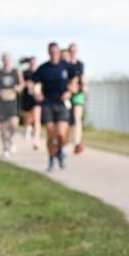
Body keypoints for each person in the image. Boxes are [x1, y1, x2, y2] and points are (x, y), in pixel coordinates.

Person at [31, 43, 73, 171]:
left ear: (59, 52)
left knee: (61, 134)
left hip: (62, 104)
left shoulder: (66, 66)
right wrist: (37, 93)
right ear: (48, 52)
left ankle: (60, 151)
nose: (54, 54)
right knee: (50, 135)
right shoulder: (43, 68)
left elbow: (75, 81)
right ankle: (50, 160)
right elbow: (35, 84)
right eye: (52, 52)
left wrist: (69, 92)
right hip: (48, 104)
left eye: (56, 51)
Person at [0, 53, 24, 156]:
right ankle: (5, 148)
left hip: (13, 101)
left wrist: (18, 88)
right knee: (3, 127)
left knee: (14, 123)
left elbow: (22, 84)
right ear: (2, 60)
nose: (6, 61)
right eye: (4, 59)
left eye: (8, 59)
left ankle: (11, 137)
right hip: (2, 103)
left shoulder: (16, 72)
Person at [67, 43, 87, 154]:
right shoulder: (65, 64)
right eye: (71, 50)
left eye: (75, 50)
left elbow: (82, 77)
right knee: (68, 121)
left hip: (78, 94)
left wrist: (84, 86)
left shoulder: (80, 64)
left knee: (77, 118)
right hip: (67, 95)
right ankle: (65, 142)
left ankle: (77, 143)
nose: (73, 52)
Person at [21, 56, 42, 150]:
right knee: (28, 117)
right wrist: (26, 84)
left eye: (34, 62)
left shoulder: (40, 72)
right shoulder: (25, 73)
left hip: (36, 98)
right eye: (31, 62)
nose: (33, 63)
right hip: (27, 97)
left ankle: (36, 140)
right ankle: (27, 129)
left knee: (37, 118)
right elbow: (21, 84)